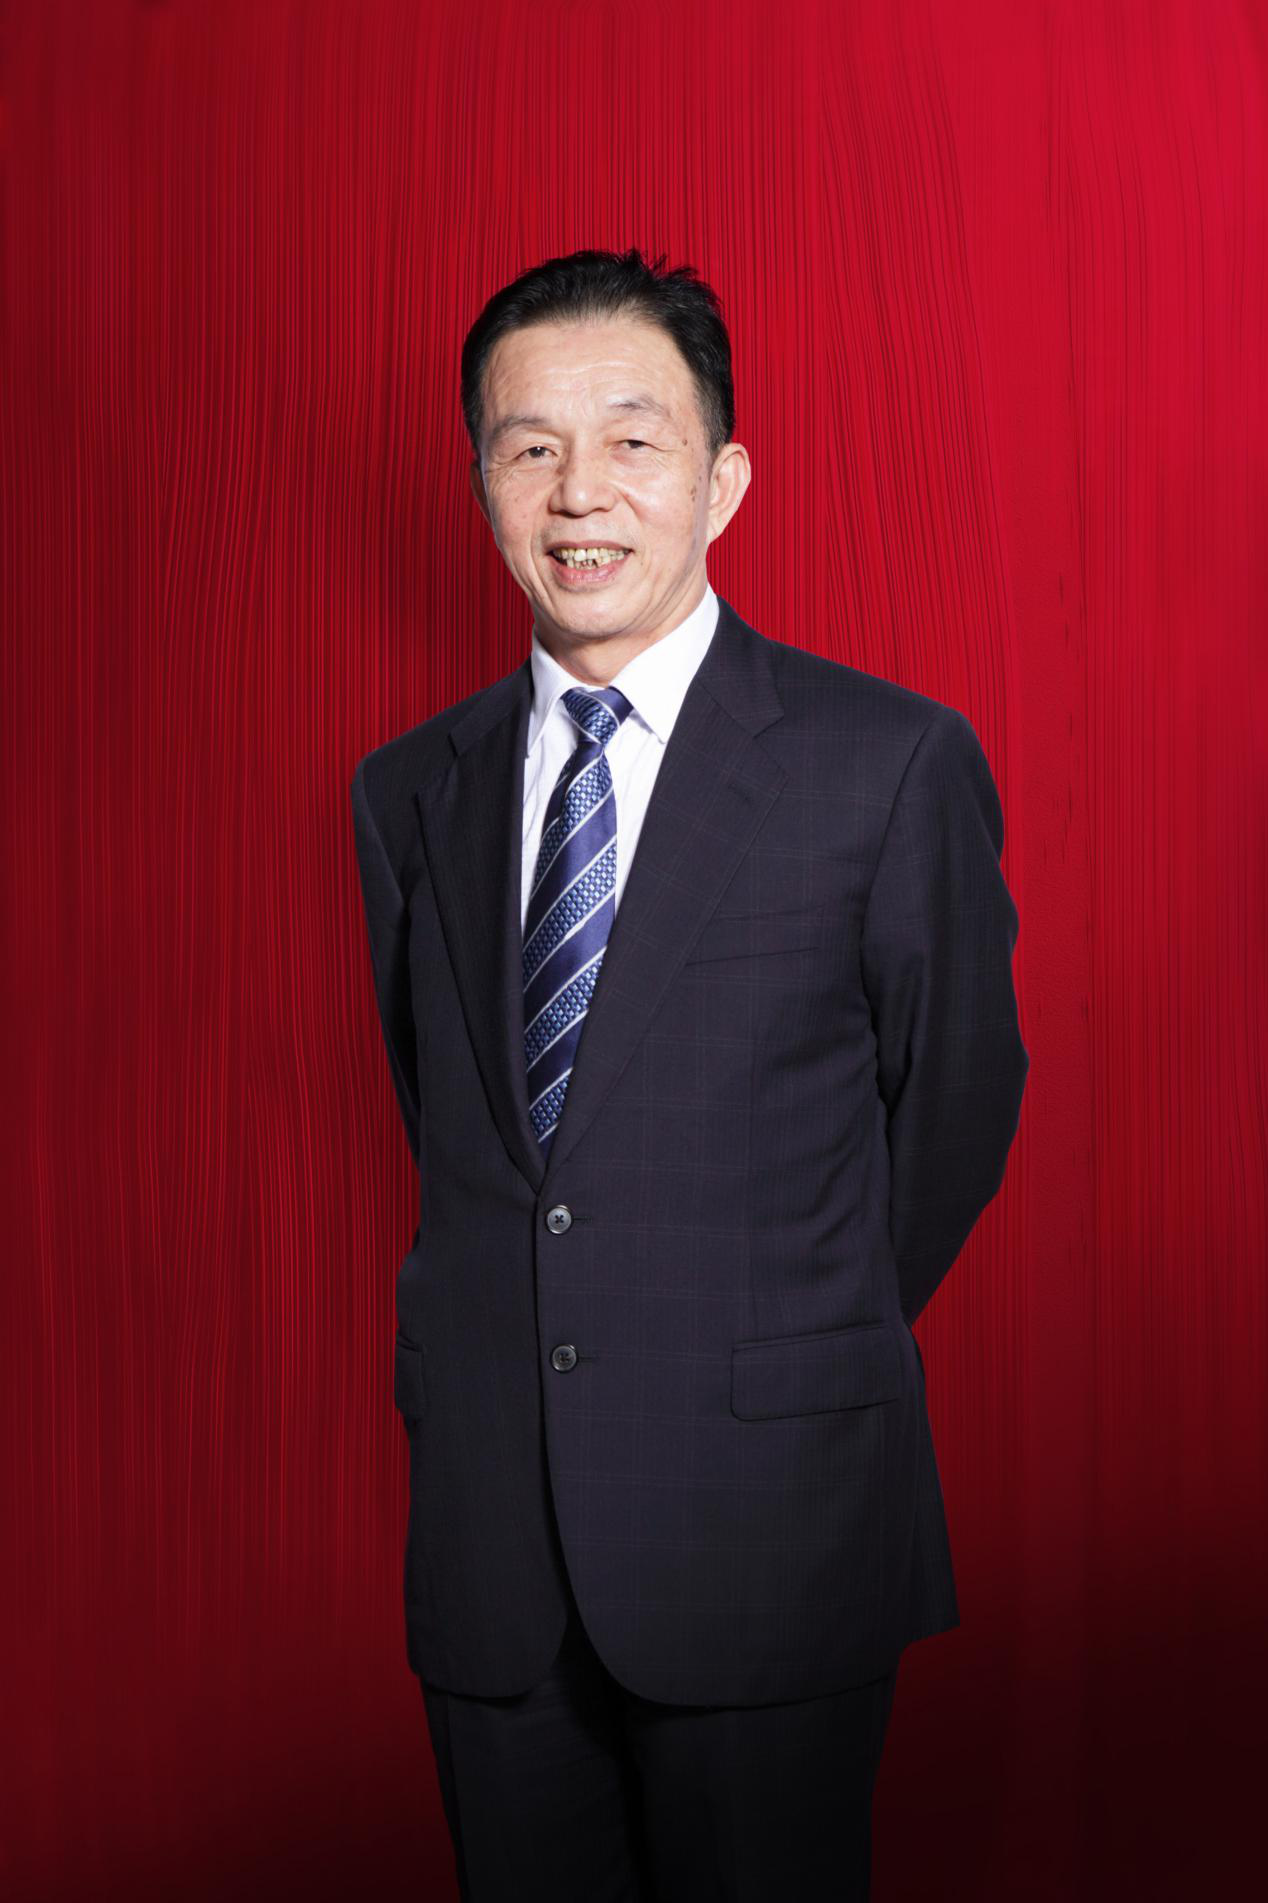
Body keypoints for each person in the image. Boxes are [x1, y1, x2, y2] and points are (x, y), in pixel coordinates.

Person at [350, 247, 1028, 1902]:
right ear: (482, 482)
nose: (578, 490)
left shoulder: (887, 765)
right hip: (495, 1548)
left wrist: (777, 1335)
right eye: (528, 446)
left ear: (722, 481)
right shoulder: (410, 790)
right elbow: (464, 1123)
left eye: (632, 440)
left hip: (767, 1518)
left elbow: (954, 1114)